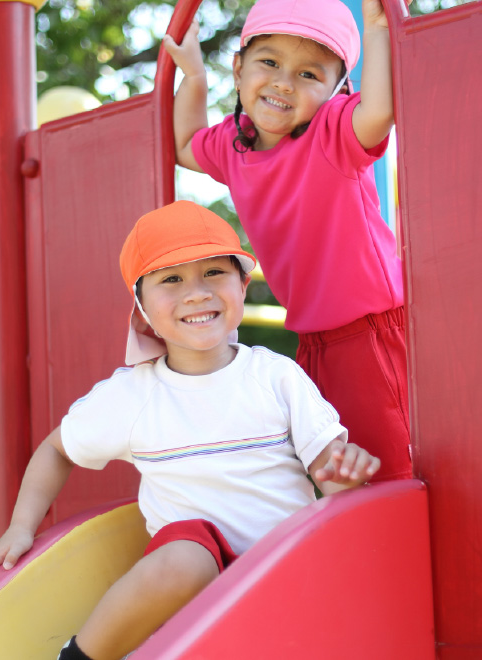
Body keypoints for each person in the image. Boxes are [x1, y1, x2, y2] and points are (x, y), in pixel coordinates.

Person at [0, 200, 381, 660]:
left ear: (243, 285)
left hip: (281, 576)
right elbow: (57, 450)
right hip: (189, 587)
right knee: (187, 554)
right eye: (171, 279)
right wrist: (21, 526)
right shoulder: (133, 395)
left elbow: (331, 468)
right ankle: (79, 658)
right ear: (142, 307)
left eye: (214, 273)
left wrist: (346, 477)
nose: (197, 293)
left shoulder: (275, 376)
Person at [163, 0, 412, 482]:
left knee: (390, 473)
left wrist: (380, 28)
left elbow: (379, 111)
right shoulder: (235, 143)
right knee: (336, 479)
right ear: (238, 69)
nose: (283, 82)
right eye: (269, 62)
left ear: (338, 90)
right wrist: (194, 76)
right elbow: (184, 143)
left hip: (373, 333)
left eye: (308, 74)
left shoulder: (333, 130)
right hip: (314, 341)